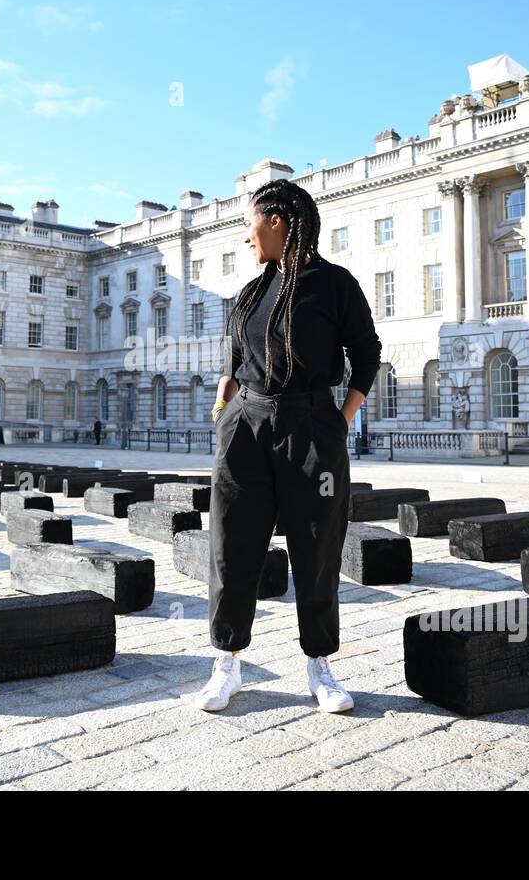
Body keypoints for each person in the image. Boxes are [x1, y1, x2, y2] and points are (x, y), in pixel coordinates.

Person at [195, 179, 381, 714]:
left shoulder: (334, 284)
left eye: (250, 223)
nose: (246, 235)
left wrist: (339, 420)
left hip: (310, 426)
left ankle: (320, 667)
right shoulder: (252, 292)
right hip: (244, 430)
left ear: (277, 221)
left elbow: (366, 355)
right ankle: (227, 663)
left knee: (317, 547)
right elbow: (235, 356)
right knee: (231, 545)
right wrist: (226, 400)